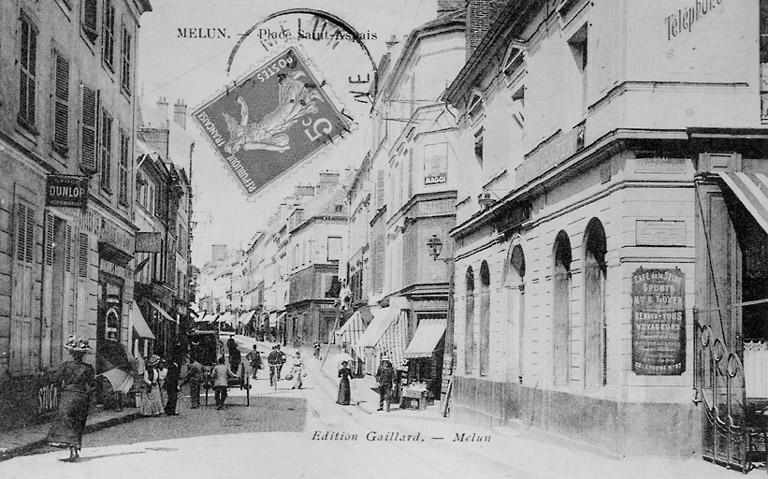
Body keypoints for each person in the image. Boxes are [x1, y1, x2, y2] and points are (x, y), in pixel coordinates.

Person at [46, 335, 96, 462]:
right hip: (82, 397)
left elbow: (54, 379)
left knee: (68, 422)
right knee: (79, 422)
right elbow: (92, 385)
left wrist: (45, 373)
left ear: (71, 353)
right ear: (84, 354)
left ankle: (72, 450)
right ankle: (75, 449)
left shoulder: (65, 366)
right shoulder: (88, 368)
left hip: (68, 396)